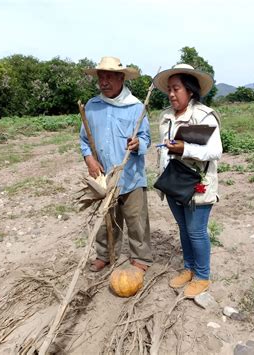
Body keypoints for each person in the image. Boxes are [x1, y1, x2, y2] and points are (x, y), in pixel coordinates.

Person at [153, 64, 222, 298]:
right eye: (169, 90)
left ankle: (202, 276)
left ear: (190, 90)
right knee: (184, 228)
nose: (171, 94)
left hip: (197, 184)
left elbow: (215, 151)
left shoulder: (204, 115)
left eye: (176, 89)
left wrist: (185, 148)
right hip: (174, 182)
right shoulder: (167, 118)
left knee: (196, 231)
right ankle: (189, 268)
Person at [80, 56, 152, 273]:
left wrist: (139, 143)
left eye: (109, 76)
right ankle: (105, 254)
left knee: (136, 219)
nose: (104, 81)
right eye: (101, 77)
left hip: (131, 176)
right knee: (106, 220)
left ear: (121, 78)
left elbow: (146, 138)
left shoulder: (136, 107)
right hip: (104, 177)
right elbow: (84, 139)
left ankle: (141, 257)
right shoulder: (92, 107)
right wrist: (89, 159)